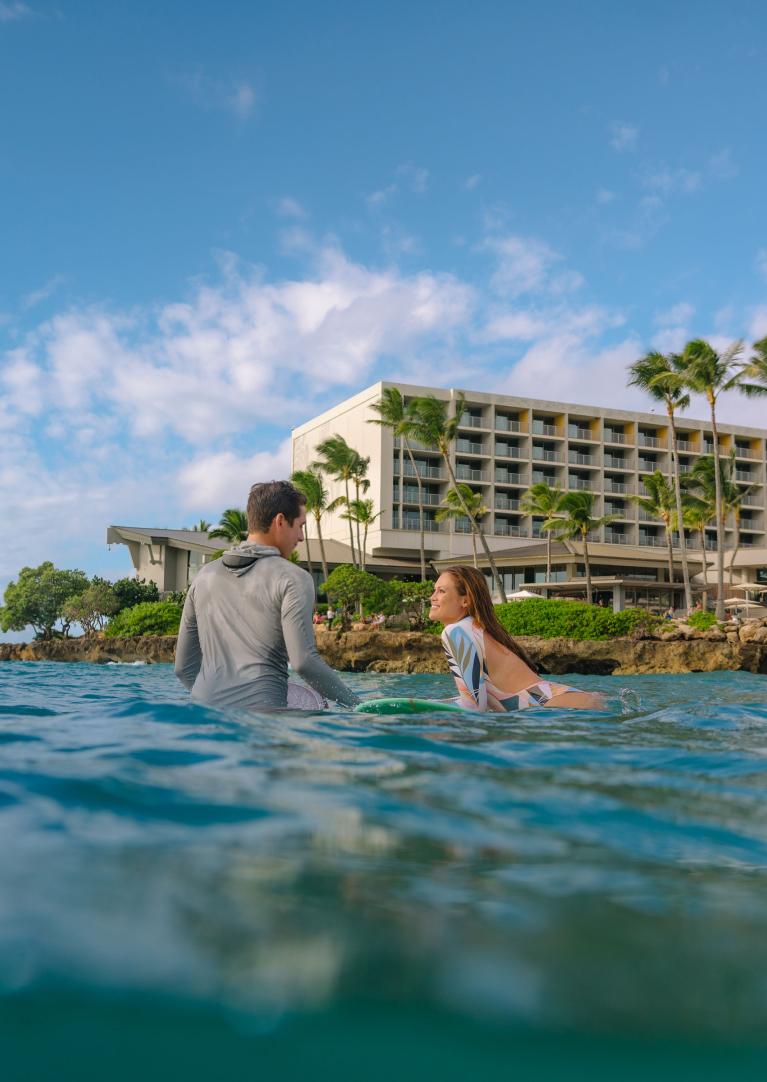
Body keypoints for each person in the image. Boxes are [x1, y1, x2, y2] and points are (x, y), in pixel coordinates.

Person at [175, 480, 359, 711]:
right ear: (280, 521)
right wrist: (358, 708)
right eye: (300, 526)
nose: (301, 537)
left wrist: (215, 705)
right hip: (264, 722)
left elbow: (183, 668)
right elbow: (304, 662)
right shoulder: (292, 578)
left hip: (203, 721)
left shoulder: (203, 577)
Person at [429, 566, 602, 711]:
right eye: (434, 590)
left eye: (441, 591)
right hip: (567, 701)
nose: (432, 597)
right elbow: (477, 700)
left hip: (557, 707)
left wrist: (422, 709)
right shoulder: (473, 629)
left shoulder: (456, 632)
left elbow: (473, 706)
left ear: (465, 601)